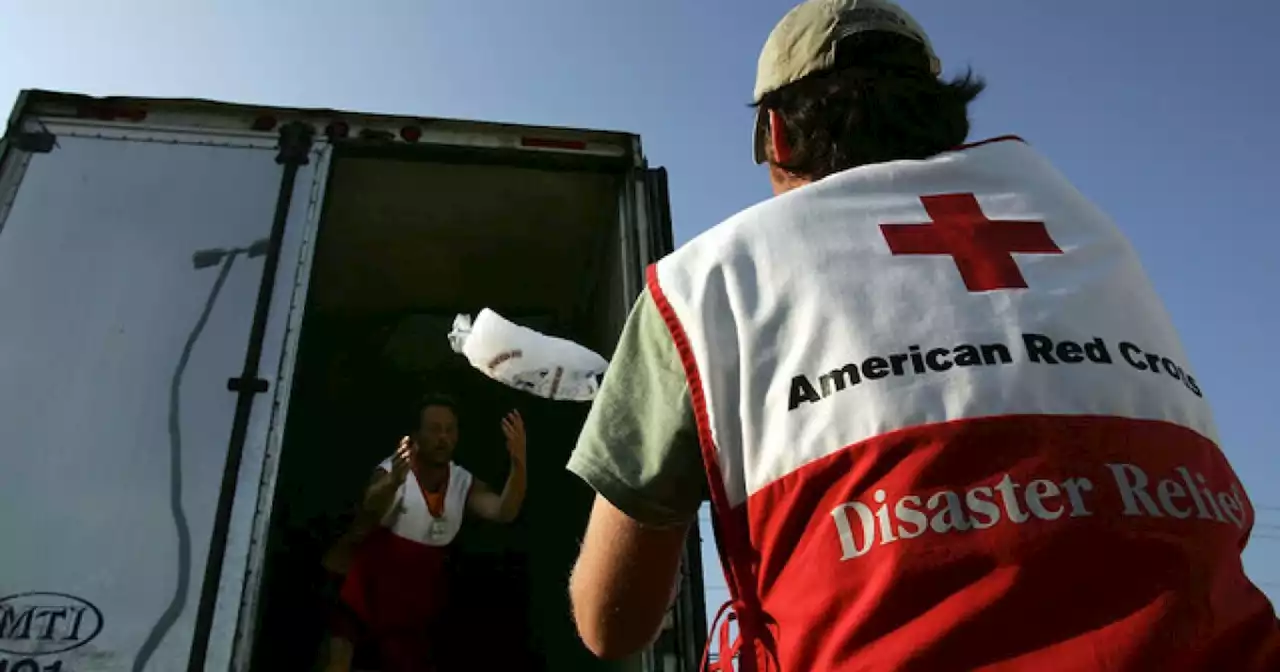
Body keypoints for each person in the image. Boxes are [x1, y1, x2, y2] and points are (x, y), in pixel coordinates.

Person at [565, 1, 1280, 670]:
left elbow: (612, 622)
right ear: (947, 123)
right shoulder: (1090, 232)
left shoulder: (708, 282)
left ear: (778, 135)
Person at [325, 394, 527, 672]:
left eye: (449, 430)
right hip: (366, 589)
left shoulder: (461, 481)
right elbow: (371, 506)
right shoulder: (393, 471)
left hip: (414, 604)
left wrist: (519, 464)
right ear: (416, 434)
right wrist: (394, 481)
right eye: (434, 429)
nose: (442, 437)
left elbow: (503, 511)